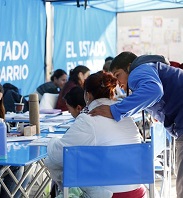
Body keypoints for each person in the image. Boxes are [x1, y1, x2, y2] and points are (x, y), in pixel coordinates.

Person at [89, 51, 183, 197]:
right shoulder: (150, 67)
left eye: (118, 74)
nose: (118, 83)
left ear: (128, 67)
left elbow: (154, 91)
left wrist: (115, 110)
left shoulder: (137, 71)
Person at [45, 71, 146, 197]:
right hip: (138, 190)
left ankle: (66, 193)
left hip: (110, 194)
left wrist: (52, 140)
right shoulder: (126, 117)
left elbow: (58, 154)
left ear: (87, 95)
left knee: (51, 161)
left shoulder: (89, 119)